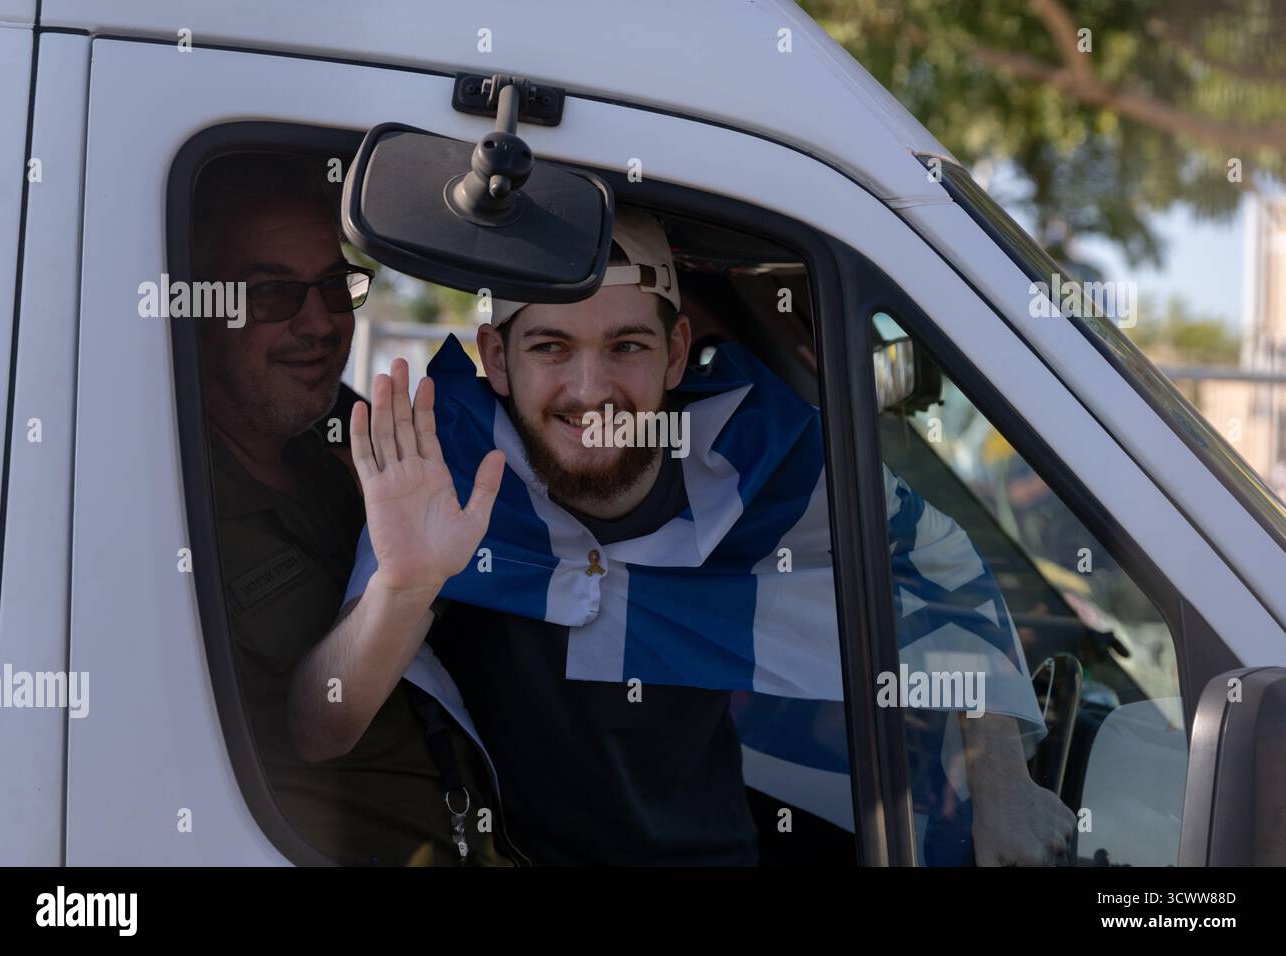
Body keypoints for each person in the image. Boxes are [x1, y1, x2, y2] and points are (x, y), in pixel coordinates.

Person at [294, 206, 1077, 866]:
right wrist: (403, 586)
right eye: (551, 347)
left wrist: (1002, 784)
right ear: (496, 358)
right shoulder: (448, 467)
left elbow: (934, 564)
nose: (591, 388)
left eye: (627, 346)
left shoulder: (761, 456)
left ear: (675, 355)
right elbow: (319, 727)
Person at [194, 152, 519, 867]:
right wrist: (403, 589)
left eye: (336, 285)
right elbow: (321, 727)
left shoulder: (334, 444)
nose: (320, 323)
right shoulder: (176, 497)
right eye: (273, 292)